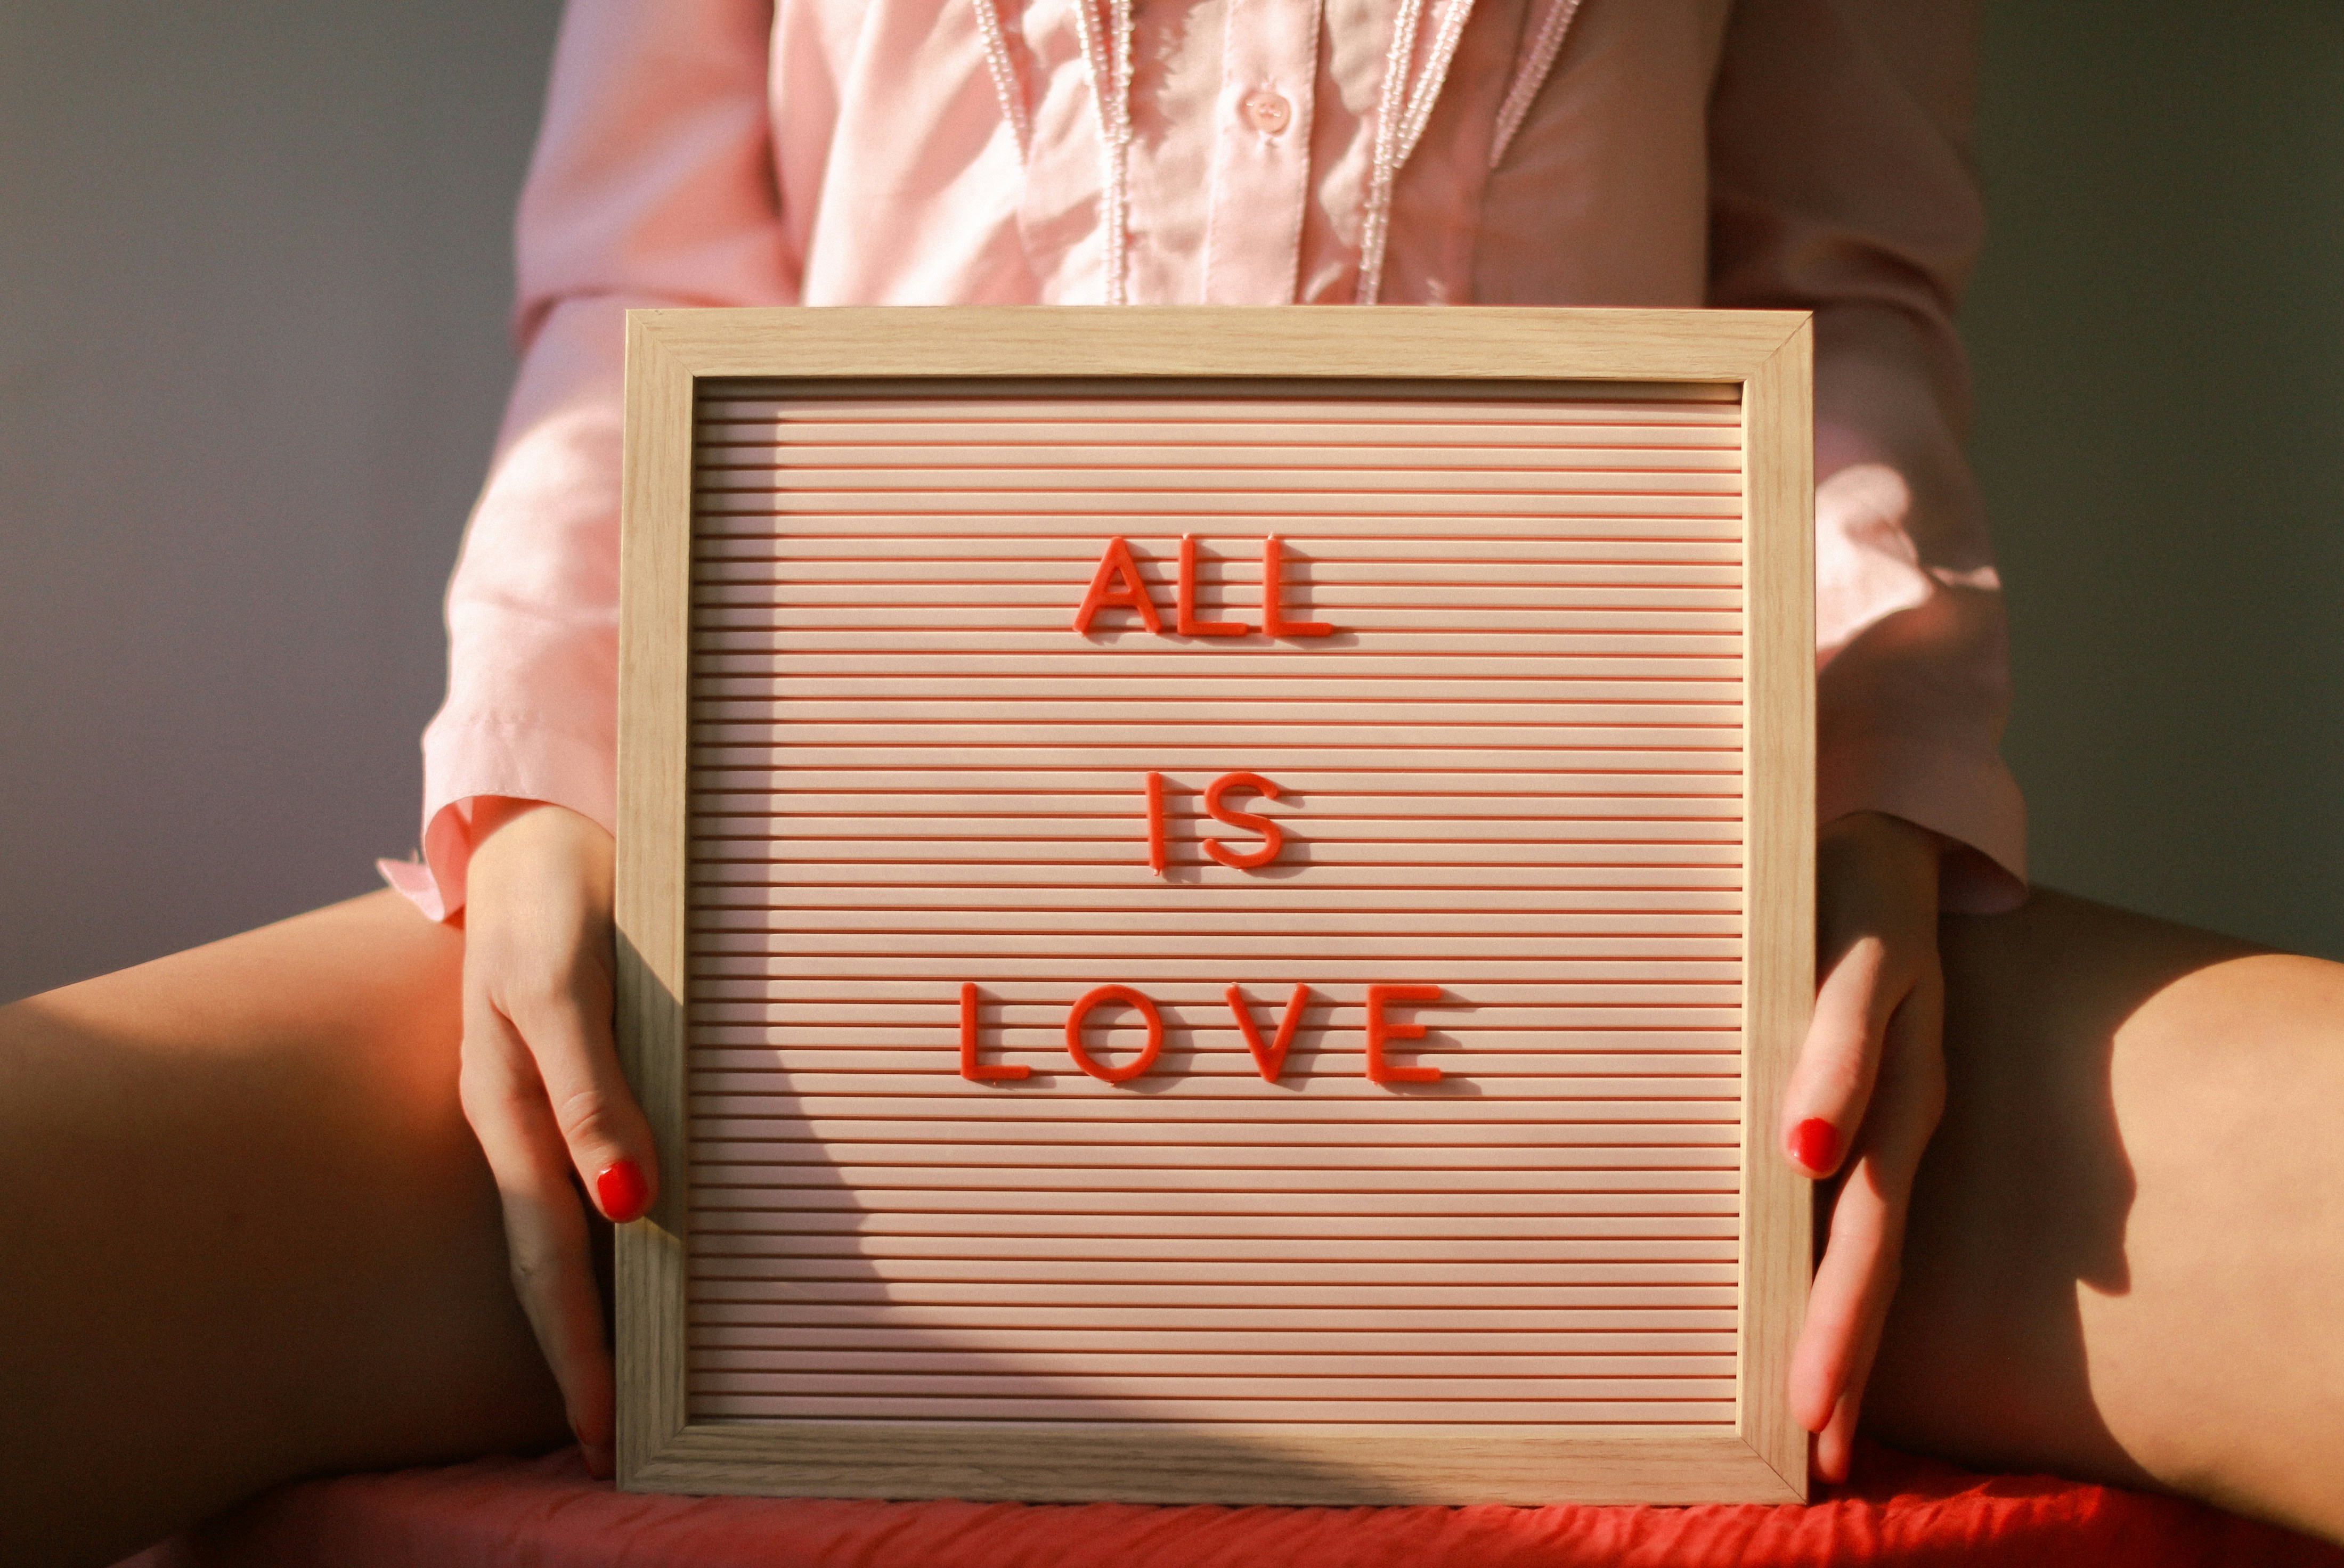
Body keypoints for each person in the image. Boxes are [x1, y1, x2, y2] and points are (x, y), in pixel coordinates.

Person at [5, 3, 2339, 1563]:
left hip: (1610, 987)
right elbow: (630, 289)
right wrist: (548, 796)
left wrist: (1858, 794)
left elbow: (1840, 285)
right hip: (814, 979)